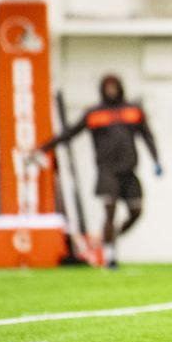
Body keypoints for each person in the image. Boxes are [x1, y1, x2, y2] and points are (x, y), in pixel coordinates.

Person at [31, 74, 162, 268]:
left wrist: (156, 160)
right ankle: (109, 256)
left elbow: (147, 136)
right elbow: (69, 133)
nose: (111, 91)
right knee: (110, 212)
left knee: (136, 211)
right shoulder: (94, 114)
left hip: (129, 170)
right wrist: (43, 147)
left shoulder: (133, 111)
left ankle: (111, 237)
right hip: (107, 171)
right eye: (107, 87)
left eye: (114, 87)